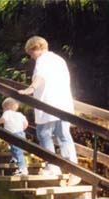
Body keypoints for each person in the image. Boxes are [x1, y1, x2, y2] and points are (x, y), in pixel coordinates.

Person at [18, 35, 81, 186]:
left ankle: (53, 166)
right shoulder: (59, 59)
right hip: (63, 103)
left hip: (48, 103)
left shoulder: (43, 60)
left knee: (43, 133)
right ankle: (74, 170)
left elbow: (40, 76)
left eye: (31, 53)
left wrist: (30, 89)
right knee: (63, 135)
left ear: (36, 48)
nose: (32, 57)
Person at [0, 97, 29, 176]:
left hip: (13, 134)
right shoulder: (20, 114)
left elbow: (2, 120)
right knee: (14, 148)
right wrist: (22, 128)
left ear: (7, 107)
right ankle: (15, 159)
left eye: (3, 108)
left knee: (17, 151)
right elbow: (26, 123)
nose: (3, 110)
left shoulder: (7, 113)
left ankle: (23, 169)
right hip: (21, 133)